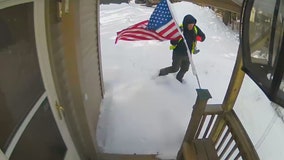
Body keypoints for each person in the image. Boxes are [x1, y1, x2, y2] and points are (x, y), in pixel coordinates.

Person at [158, 14, 205, 83]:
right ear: (186, 24)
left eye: (193, 24)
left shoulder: (195, 29)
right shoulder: (180, 29)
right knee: (175, 68)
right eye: (190, 24)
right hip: (178, 54)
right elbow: (172, 42)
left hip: (188, 54)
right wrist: (179, 36)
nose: (191, 26)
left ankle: (179, 78)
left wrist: (197, 38)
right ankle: (161, 72)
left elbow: (203, 37)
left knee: (185, 68)